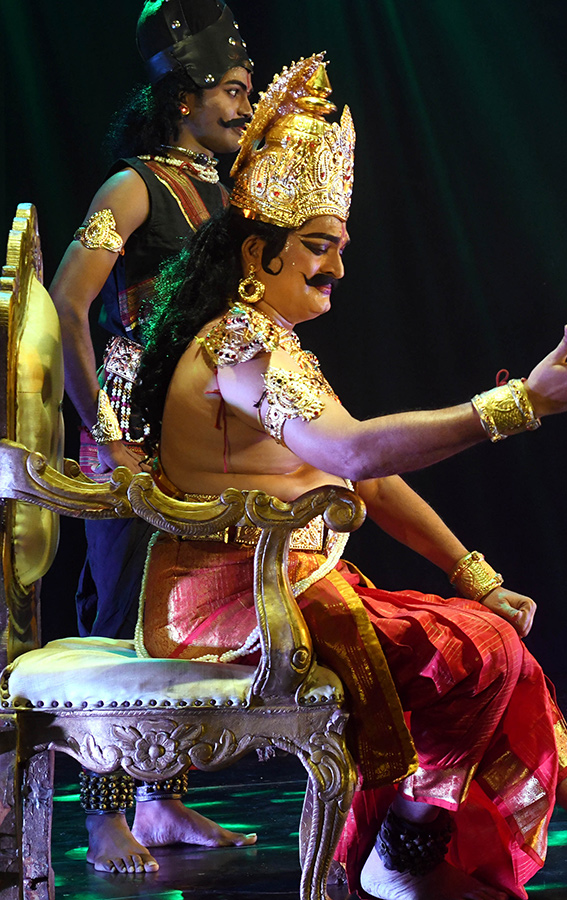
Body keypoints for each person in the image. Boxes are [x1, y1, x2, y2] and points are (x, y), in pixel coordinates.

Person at [128, 54, 567, 900]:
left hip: (292, 584)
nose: (338, 269)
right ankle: (401, 855)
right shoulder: (239, 347)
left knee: (496, 641)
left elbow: (362, 479)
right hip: (236, 600)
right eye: (319, 248)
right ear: (259, 251)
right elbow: (361, 454)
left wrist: (474, 572)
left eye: (340, 247)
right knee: (479, 652)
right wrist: (521, 404)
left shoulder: (265, 344)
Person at [46, 0, 256, 872]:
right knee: (119, 622)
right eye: (233, 91)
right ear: (184, 98)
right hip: (133, 427)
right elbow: (65, 300)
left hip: (203, 431)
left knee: (184, 618)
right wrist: (103, 426)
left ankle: (161, 800)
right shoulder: (132, 187)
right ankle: (101, 817)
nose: (244, 107)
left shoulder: (227, 190)